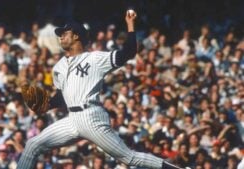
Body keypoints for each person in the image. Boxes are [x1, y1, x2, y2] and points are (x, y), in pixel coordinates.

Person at [17, 11, 188, 169]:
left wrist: (130, 25)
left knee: (128, 157)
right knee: (33, 145)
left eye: (65, 33)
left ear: (76, 36)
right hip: (72, 119)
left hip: (91, 117)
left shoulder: (95, 58)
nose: (61, 36)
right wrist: (45, 105)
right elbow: (63, 97)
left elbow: (128, 52)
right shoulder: (59, 67)